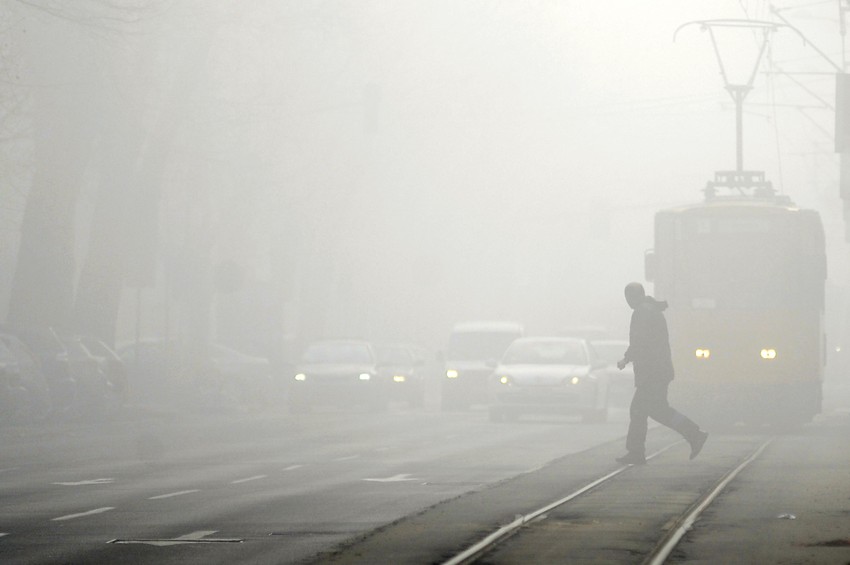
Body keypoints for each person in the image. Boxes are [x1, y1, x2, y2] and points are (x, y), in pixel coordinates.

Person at [615, 282, 707, 465]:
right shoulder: (651, 310)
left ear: (635, 296)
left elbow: (640, 341)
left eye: (628, 298)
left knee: (640, 410)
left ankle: (638, 451)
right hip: (658, 371)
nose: (628, 302)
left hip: (652, 373)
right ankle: (693, 434)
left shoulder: (643, 312)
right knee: (657, 410)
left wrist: (626, 358)